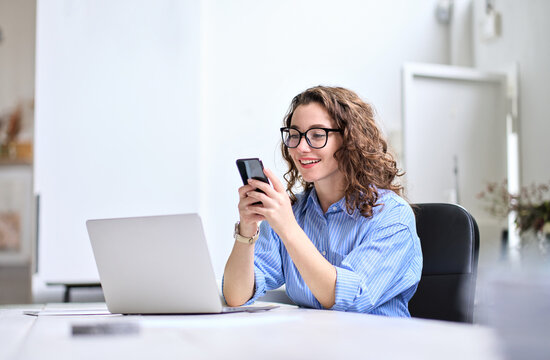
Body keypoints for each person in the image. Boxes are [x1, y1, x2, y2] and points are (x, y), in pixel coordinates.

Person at [223, 86, 422, 316]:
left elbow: (347, 300)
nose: (301, 147)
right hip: (313, 346)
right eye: (295, 135)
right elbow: (236, 296)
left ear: (350, 140)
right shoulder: (294, 211)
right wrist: (247, 229)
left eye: (317, 135)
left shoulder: (393, 216)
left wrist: (288, 228)